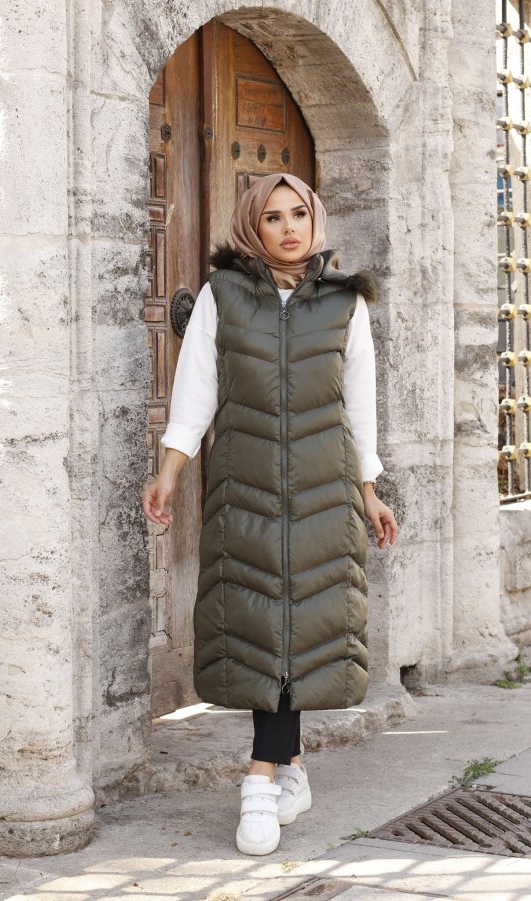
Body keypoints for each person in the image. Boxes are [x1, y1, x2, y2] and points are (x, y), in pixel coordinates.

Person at [142, 173, 399, 857]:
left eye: (299, 214)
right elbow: (195, 389)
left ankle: (261, 775)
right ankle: (285, 768)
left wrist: (369, 490)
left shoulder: (346, 301)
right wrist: (169, 472)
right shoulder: (223, 295)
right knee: (262, 621)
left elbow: (359, 404)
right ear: (253, 227)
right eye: (273, 217)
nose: (289, 227)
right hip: (246, 482)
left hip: (323, 484)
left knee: (303, 623)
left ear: (316, 221)